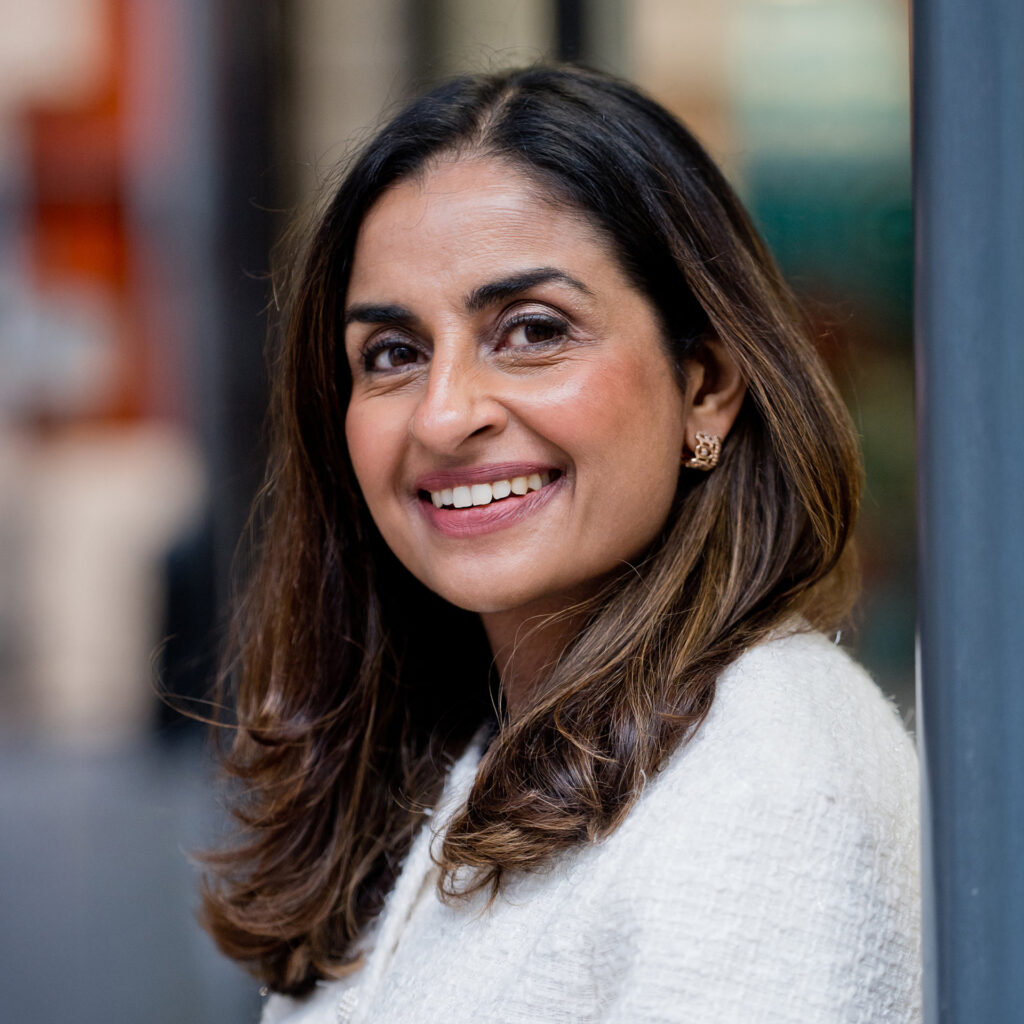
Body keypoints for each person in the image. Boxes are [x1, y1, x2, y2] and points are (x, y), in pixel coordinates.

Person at [201, 65, 920, 1023]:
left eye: (533, 331)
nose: (444, 414)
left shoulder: (768, 769)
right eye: (393, 353)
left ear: (705, 384)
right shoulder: (471, 749)